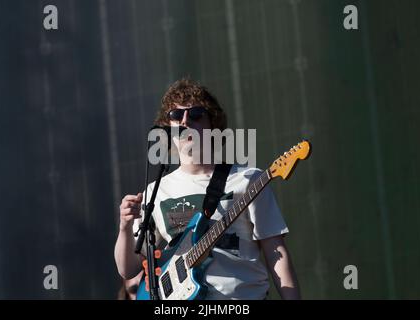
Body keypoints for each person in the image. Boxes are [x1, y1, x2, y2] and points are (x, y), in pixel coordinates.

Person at [114, 78, 300, 300]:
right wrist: (125, 227)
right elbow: (127, 269)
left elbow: (275, 254)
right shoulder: (155, 192)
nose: (185, 121)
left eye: (195, 115)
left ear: (213, 125)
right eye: (176, 115)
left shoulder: (248, 180)